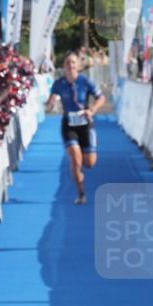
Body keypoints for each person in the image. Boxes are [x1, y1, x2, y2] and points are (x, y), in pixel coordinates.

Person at [46, 52, 105, 204]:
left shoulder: (85, 81)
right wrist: (51, 102)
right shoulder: (59, 83)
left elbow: (101, 97)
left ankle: (80, 173)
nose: (70, 66)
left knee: (89, 163)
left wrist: (91, 110)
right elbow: (50, 100)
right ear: (64, 67)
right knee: (75, 159)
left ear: (78, 65)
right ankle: (80, 193)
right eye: (67, 63)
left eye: (73, 63)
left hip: (85, 123)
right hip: (69, 124)